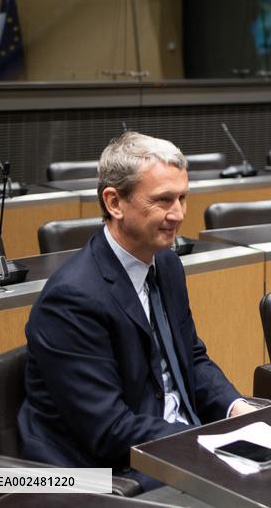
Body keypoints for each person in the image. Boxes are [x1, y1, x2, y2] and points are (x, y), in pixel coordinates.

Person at [18, 132, 257, 490]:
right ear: (114, 202)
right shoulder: (72, 299)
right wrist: (205, 441)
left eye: (182, 198)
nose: (177, 214)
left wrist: (235, 408)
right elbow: (108, 430)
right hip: (110, 470)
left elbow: (191, 356)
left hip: (174, 439)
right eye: (162, 200)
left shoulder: (167, 265)